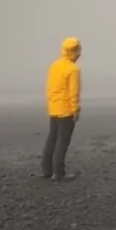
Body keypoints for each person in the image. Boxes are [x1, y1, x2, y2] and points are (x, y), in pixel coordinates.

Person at [42, 37, 81, 182]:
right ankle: (59, 172)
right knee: (63, 141)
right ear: (74, 51)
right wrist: (76, 109)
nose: (80, 53)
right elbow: (73, 92)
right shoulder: (73, 69)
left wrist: (51, 104)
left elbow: (50, 89)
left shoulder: (54, 66)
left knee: (52, 138)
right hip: (66, 109)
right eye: (79, 50)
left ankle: (47, 170)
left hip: (54, 108)